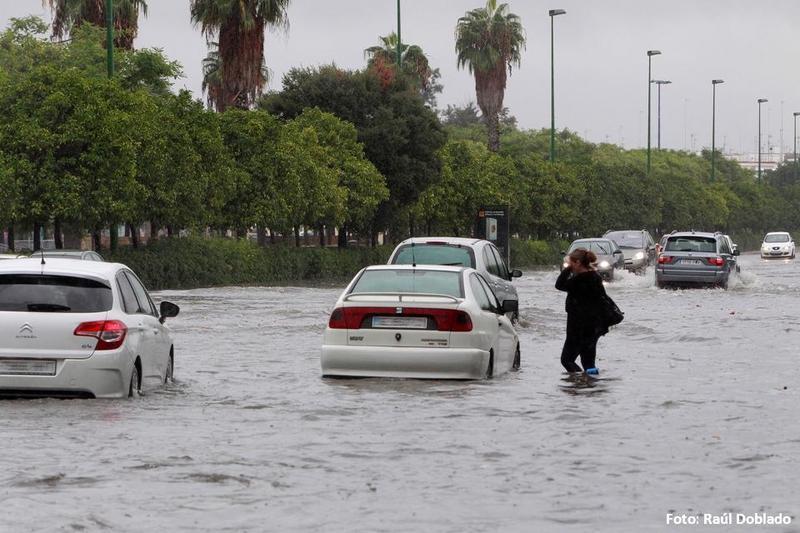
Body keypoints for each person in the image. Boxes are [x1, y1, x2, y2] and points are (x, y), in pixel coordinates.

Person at [555, 248, 608, 375]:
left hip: (578, 327)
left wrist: (568, 269)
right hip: (593, 327)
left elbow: (559, 284)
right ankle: (591, 386)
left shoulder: (578, 280)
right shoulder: (595, 277)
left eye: (571, 263)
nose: (570, 266)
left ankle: (581, 381)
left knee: (566, 360)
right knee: (589, 363)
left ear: (578, 262)